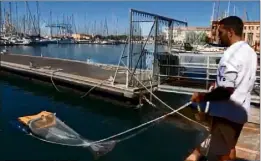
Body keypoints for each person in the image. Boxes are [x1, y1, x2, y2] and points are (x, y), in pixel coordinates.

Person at [185, 16, 257, 161]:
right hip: (239, 113)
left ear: (230, 32)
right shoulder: (250, 52)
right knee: (229, 147)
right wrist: (217, 84)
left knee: (222, 154)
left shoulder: (230, 54)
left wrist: (202, 96)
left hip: (226, 114)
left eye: (221, 32)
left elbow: (226, 91)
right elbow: (237, 80)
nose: (218, 36)